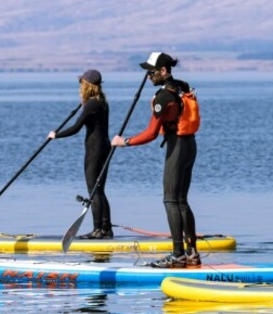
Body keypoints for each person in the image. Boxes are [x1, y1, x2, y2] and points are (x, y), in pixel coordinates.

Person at [112, 52, 199, 268]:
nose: (148, 76)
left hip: (177, 148)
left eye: (151, 72)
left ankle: (178, 255)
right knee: (181, 200)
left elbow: (151, 134)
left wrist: (125, 142)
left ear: (163, 71)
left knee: (170, 200)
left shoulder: (163, 97)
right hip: (189, 145)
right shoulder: (181, 85)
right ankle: (192, 253)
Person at [49, 69, 112, 239]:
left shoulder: (91, 104)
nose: (80, 88)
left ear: (88, 86)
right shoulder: (102, 102)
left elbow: (75, 128)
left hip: (95, 150)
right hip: (104, 147)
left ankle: (98, 230)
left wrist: (56, 135)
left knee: (94, 190)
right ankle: (106, 229)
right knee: (99, 190)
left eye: (81, 85)